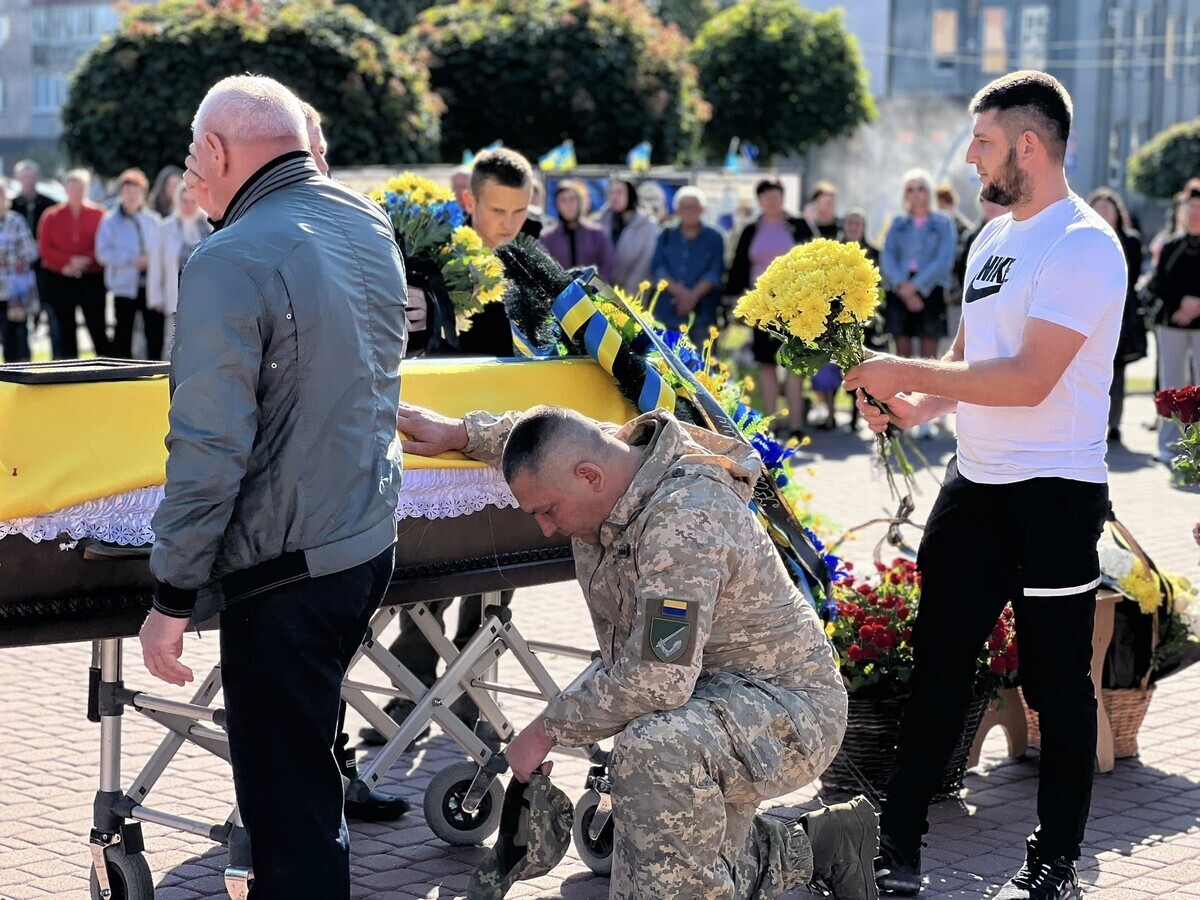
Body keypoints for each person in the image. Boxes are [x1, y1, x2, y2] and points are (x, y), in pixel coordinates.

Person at [396, 401, 879, 900]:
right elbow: (549, 437)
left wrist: (544, 732)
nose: (545, 528)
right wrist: (463, 432)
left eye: (547, 510)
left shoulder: (684, 520)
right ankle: (825, 844)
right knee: (668, 841)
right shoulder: (616, 464)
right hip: (706, 697)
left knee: (654, 751)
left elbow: (656, 679)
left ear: (590, 477)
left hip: (788, 709)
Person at [844, 70, 1126, 900]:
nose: (970, 157)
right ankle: (898, 842)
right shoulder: (993, 239)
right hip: (975, 486)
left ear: (1028, 146)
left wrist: (902, 368)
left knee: (1056, 685)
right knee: (937, 667)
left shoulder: (1083, 245)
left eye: (983, 142)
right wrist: (912, 406)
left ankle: (1056, 858)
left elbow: (1030, 379)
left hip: (1055, 495)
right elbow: (969, 364)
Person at [137, 74, 407, 899]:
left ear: (218, 150)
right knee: (309, 777)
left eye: (194, 154)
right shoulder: (364, 218)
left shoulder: (230, 257)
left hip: (286, 568)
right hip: (364, 539)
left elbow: (209, 449)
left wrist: (172, 593)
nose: (189, 172)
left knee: (289, 818)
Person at [362, 148, 541, 747]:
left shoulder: (532, 262)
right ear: (469, 201)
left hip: (501, 442)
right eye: (497, 210)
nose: (509, 224)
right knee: (430, 582)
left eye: (519, 211)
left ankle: (473, 696)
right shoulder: (434, 256)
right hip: (437, 439)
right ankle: (408, 697)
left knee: (493, 585)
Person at [726, 177, 813, 438]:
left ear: (783, 197)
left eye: (776, 196)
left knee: (795, 364)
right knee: (766, 363)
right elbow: (738, 266)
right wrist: (734, 299)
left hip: (796, 306)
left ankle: (796, 423)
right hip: (762, 306)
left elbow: (815, 258)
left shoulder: (798, 225)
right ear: (759, 200)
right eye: (766, 197)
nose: (772, 201)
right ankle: (771, 423)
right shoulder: (751, 229)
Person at [881, 169, 957, 374]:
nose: (916, 194)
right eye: (910, 189)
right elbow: (887, 257)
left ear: (929, 191)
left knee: (928, 359)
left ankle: (925, 394)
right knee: (901, 357)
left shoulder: (943, 223)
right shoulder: (897, 223)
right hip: (899, 289)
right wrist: (902, 286)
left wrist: (916, 286)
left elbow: (943, 260)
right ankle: (901, 394)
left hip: (931, 289)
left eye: (921, 188)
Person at [1147, 184, 1200, 465]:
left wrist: (1197, 304)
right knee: (1172, 387)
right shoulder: (1171, 246)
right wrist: (1182, 303)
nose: (1194, 213)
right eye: (1190, 208)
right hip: (1171, 324)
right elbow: (1158, 283)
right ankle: (1169, 445)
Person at [1087, 187, 1144, 444]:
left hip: (1122, 311)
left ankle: (1115, 423)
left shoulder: (1130, 240)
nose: (1103, 212)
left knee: (1117, 371)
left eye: (1107, 208)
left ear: (1117, 213)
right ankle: (1092, 424)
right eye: (1097, 208)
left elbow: (1134, 275)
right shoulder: (1081, 239)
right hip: (1088, 309)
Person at [36, 169, 109, 359]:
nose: (76, 192)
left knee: (97, 328)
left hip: (91, 278)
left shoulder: (99, 214)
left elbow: (106, 244)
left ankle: (106, 370)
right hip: (60, 278)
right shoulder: (51, 215)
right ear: (65, 189)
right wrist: (67, 262)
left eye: (81, 188)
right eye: (72, 187)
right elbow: (44, 248)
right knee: (65, 331)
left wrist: (84, 260)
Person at [96, 168, 163, 359]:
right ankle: (123, 371)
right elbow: (103, 253)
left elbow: (161, 250)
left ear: (143, 193)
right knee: (123, 332)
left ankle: (155, 369)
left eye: (136, 192)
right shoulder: (109, 221)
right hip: (124, 287)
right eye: (127, 192)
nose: (132, 196)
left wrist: (150, 261)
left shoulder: (153, 220)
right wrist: (131, 260)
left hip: (150, 286)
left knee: (154, 331)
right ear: (120, 193)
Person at [651, 185, 725, 346]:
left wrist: (692, 297)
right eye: (684, 207)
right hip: (666, 313)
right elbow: (658, 269)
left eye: (693, 206)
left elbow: (714, 272)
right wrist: (680, 293)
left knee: (702, 359)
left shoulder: (714, 237)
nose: (689, 211)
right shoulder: (666, 234)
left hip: (702, 315)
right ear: (676, 210)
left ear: (702, 209)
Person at [147, 181, 212, 358]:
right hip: (176, 296)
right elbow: (156, 265)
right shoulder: (165, 228)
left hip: (204, 296)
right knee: (174, 342)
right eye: (184, 201)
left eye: (192, 201)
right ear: (177, 201)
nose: (188, 206)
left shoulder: (209, 227)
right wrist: (156, 297)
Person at [10, 160, 59, 356]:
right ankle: (21, 360)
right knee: (19, 320)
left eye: (31, 177)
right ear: (18, 178)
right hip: (18, 272)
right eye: (24, 177)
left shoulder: (50, 205)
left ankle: (59, 361)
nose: (28, 181)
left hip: (45, 270)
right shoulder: (11, 205)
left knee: (51, 314)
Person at [840, 208, 881, 431]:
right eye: (850, 222)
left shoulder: (874, 253)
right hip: (842, 318)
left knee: (866, 365)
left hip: (867, 319)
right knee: (845, 367)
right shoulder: (835, 252)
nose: (854, 227)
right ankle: (845, 415)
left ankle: (869, 413)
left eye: (858, 223)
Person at [539, 179, 615, 281]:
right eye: (563, 200)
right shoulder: (547, 237)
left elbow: (608, 266)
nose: (568, 205)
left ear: (579, 202)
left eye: (572, 199)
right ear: (557, 204)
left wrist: (592, 286)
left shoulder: (597, 233)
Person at [596, 178, 659, 294]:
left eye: (619, 192)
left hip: (633, 293)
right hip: (602, 291)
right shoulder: (601, 220)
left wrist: (626, 293)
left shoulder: (648, 224)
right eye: (611, 192)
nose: (614, 197)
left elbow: (645, 262)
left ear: (631, 194)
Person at [0, 191, 39, 362]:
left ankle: (25, 372)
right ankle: (6, 375)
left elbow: (31, 252)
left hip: (15, 291)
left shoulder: (16, 221)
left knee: (19, 335)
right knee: (5, 337)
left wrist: (7, 259)